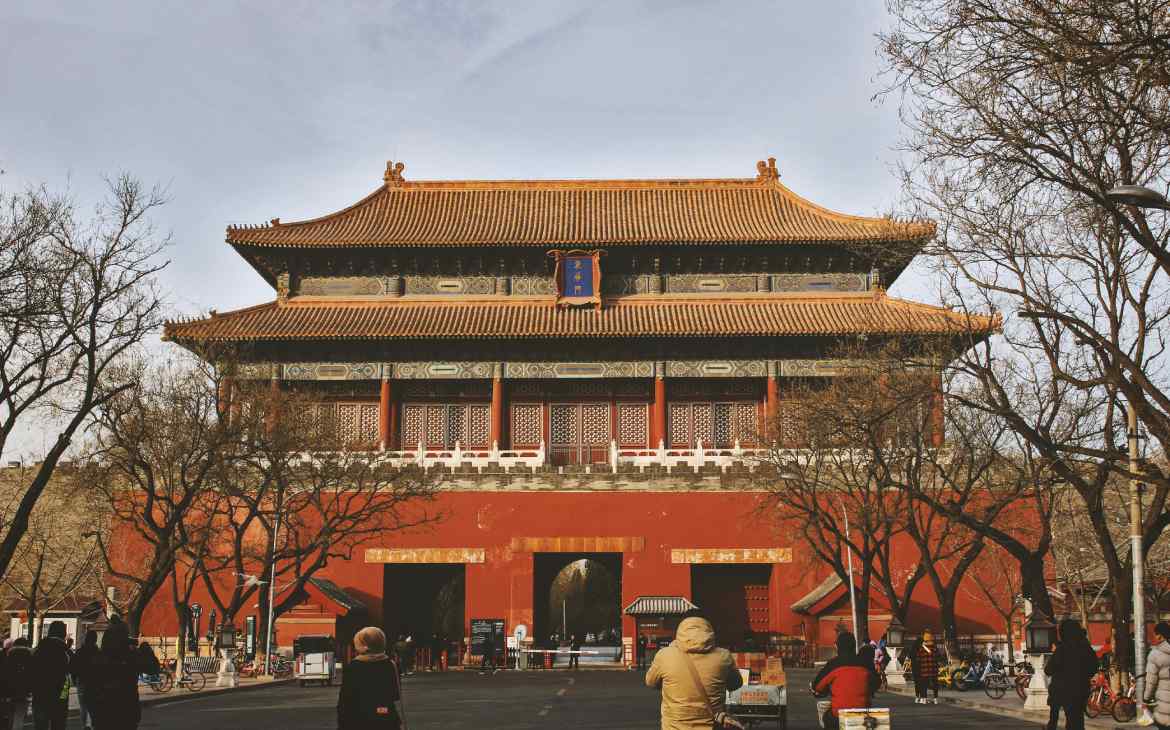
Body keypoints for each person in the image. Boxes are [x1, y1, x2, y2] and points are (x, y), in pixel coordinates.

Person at [645, 615, 742, 730]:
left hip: (674, 726)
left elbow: (650, 682)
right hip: (711, 725)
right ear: (709, 632)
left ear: (680, 632)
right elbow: (736, 684)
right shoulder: (724, 656)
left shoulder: (664, 655)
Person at [337, 627, 405, 730]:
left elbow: (345, 699)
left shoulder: (353, 667)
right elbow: (395, 694)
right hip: (385, 717)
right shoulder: (390, 665)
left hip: (358, 719)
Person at [813, 632, 880, 730]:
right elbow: (877, 683)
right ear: (854, 646)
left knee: (826, 717)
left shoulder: (833, 664)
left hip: (839, 717)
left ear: (838, 646)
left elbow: (817, 687)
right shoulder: (865, 664)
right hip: (863, 715)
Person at [82, 620, 142, 730]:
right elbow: (152, 668)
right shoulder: (130, 658)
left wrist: (94, 715)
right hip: (124, 715)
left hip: (106, 715)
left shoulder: (98, 658)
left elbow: (88, 692)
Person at [1044, 618, 1097, 730]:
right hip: (1080, 689)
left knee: (1057, 718)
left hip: (1062, 690)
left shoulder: (1062, 649)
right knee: (1077, 719)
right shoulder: (1086, 648)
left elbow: (1048, 670)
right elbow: (1094, 668)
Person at [31, 621, 72, 730]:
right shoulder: (66, 651)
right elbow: (71, 673)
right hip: (60, 696)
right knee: (58, 724)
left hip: (40, 694)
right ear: (63, 633)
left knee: (40, 725)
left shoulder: (38, 649)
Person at [71, 631, 100, 730]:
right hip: (95, 683)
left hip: (82, 682)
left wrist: (74, 680)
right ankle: (94, 725)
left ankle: (84, 726)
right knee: (94, 706)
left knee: (83, 706)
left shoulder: (80, 652)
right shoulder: (98, 653)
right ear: (95, 640)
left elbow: (73, 668)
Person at [4, 637, 34, 730]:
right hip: (24, 692)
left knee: (10, 716)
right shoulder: (30, 657)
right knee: (19, 717)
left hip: (9, 691)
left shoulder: (8, 656)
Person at [1146, 622, 1170, 729]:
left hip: (1164, 707)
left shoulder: (1155, 655)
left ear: (1159, 635)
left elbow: (1151, 681)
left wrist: (1146, 698)